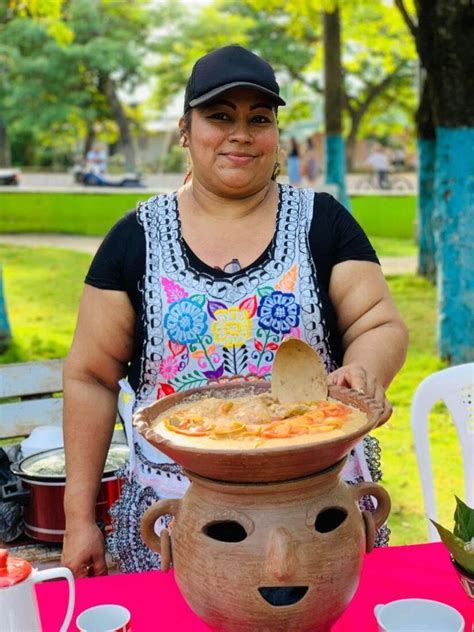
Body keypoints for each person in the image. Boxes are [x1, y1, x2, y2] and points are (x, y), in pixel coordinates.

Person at [61, 45, 408, 578]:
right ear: (185, 130)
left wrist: (366, 369)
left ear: (276, 135)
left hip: (316, 509)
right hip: (178, 518)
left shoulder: (324, 223)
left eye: (259, 119)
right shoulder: (134, 240)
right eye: (219, 116)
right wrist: (78, 518)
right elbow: (90, 376)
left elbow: (377, 322)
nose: (241, 133)